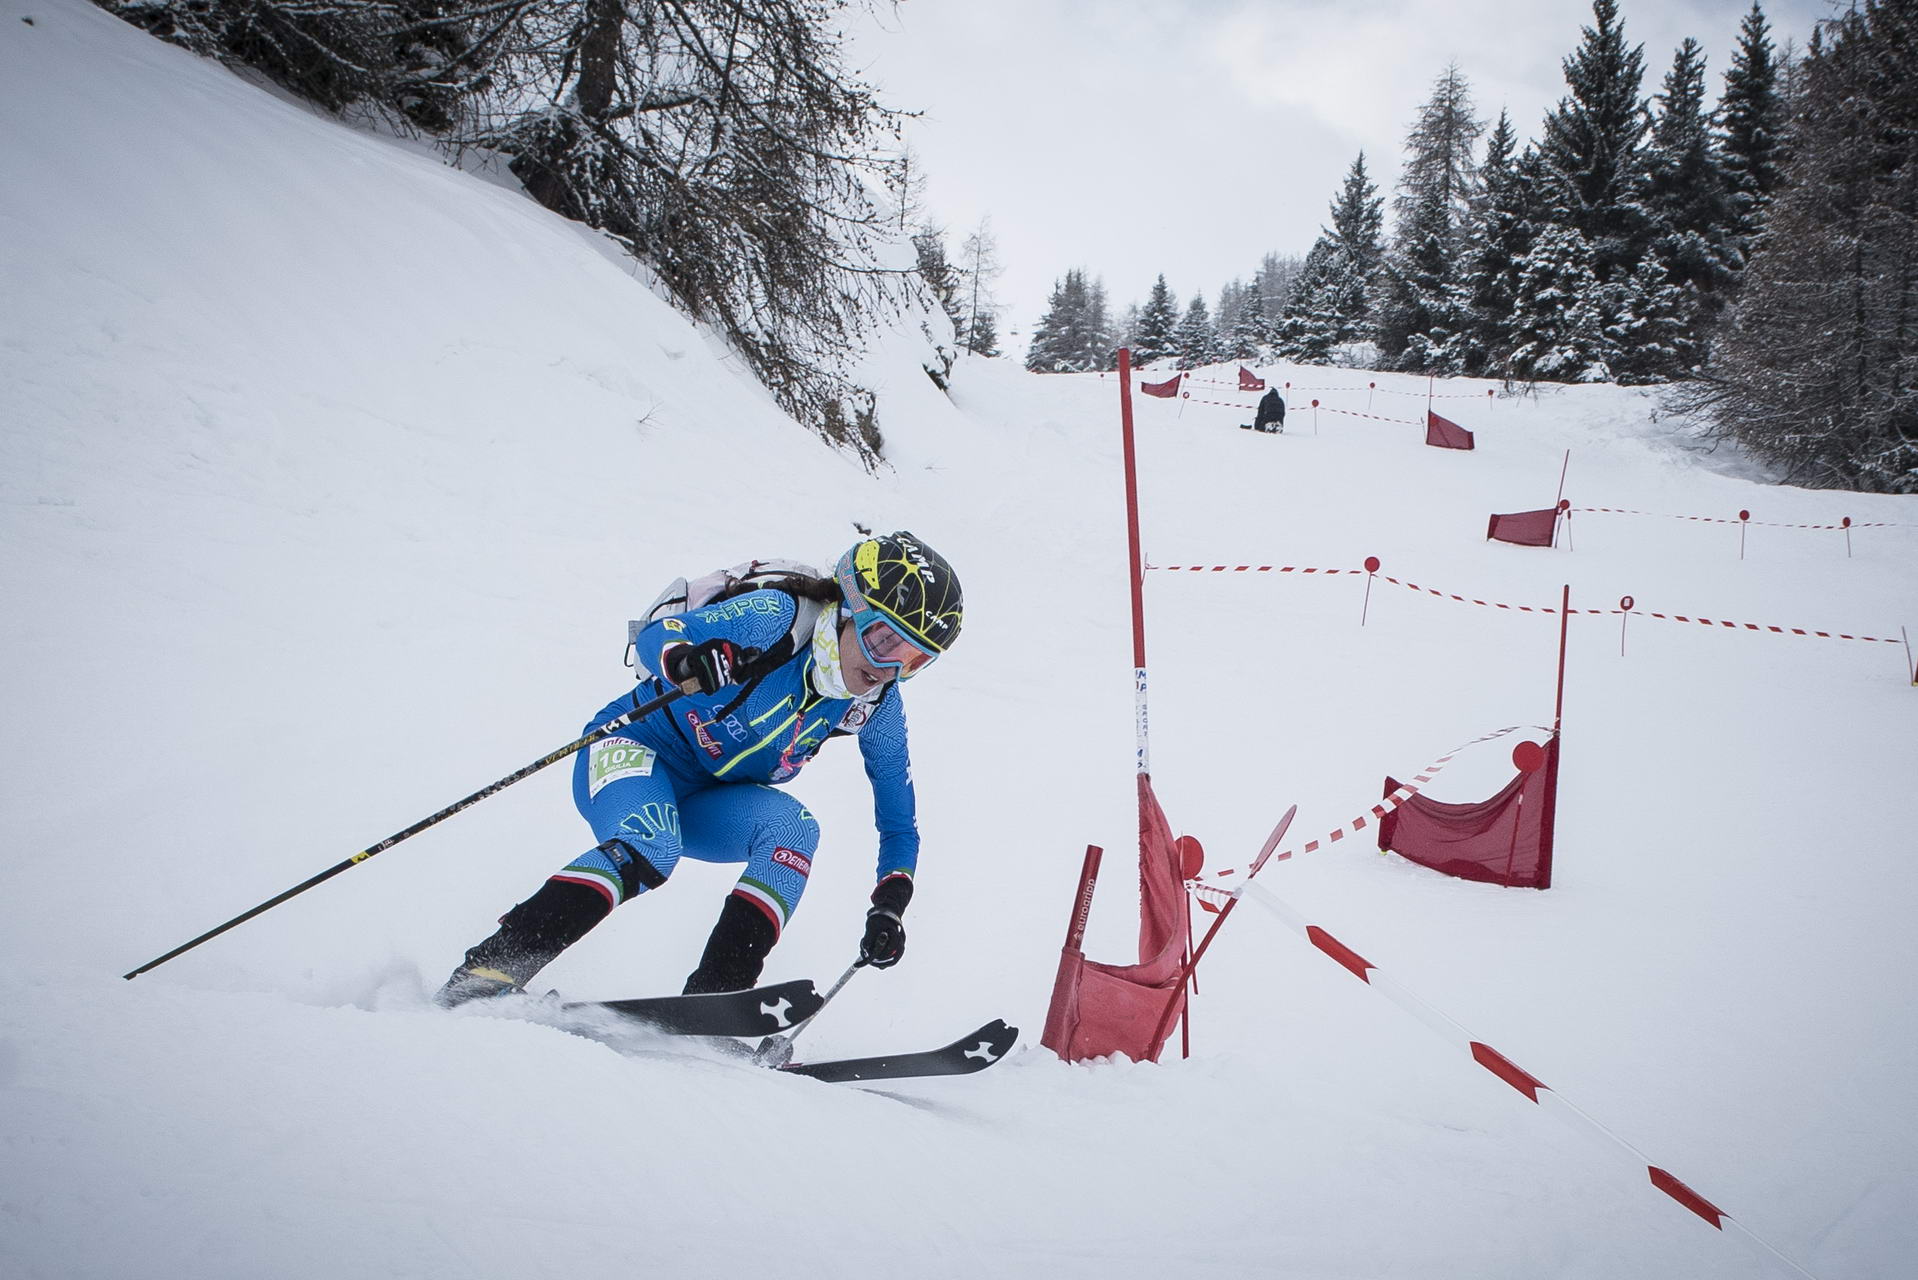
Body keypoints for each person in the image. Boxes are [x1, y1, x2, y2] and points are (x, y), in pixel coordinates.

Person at [436, 530, 963, 1006]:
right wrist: (687, 657)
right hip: (635, 750)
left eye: (915, 660)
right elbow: (658, 635)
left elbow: (898, 823)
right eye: (883, 640)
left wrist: (890, 904)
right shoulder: (778, 617)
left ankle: (716, 1000)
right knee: (651, 847)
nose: (887, 668)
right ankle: (493, 968)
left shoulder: (876, 711)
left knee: (793, 831)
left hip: (708, 799)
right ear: (848, 607)